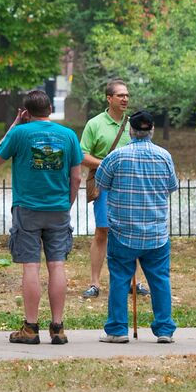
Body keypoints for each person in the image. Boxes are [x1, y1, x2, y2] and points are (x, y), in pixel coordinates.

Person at [0, 89, 83, 345]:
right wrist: (67, 203)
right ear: (50, 110)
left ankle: (31, 328)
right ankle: (58, 327)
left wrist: (14, 124)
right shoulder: (68, 136)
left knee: (30, 266)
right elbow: (76, 177)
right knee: (57, 265)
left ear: (26, 113)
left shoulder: (20, 133)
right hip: (58, 208)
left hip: (27, 209)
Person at [93, 110, 179, 343]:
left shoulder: (116, 157)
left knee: (120, 279)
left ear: (130, 130)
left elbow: (100, 184)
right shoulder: (164, 156)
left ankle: (117, 330)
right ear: (151, 130)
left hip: (123, 231)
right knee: (160, 280)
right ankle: (164, 330)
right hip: (156, 233)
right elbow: (172, 187)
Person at [80, 79, 146, 298]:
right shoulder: (95, 124)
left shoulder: (133, 124)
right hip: (104, 185)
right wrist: (108, 163)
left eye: (127, 95)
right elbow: (82, 155)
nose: (125, 98)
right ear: (109, 98)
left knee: (132, 231)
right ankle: (95, 284)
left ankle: (132, 282)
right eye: (120, 95)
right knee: (102, 231)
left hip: (131, 186)